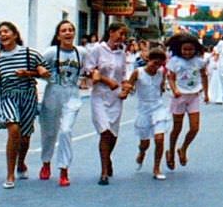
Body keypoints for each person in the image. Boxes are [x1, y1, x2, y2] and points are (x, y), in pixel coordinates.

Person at [0, 21, 49, 189]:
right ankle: (10, 174)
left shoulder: (29, 53)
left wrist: (30, 73)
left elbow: (46, 72)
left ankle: (21, 163)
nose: (3, 34)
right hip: (8, 95)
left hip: (27, 95)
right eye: (0, 32)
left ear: (15, 35)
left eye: (6, 31)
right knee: (13, 130)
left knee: (25, 135)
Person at [38, 20, 86, 187]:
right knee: (49, 132)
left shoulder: (81, 52)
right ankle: (45, 162)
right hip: (53, 93)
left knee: (66, 130)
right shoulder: (51, 52)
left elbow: (88, 69)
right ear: (58, 35)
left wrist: (86, 78)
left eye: (70, 30)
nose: (67, 33)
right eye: (64, 30)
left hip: (72, 95)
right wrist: (41, 71)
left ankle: (64, 168)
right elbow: (37, 66)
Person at [85, 22, 128, 185]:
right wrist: (105, 80)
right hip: (100, 95)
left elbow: (123, 75)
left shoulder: (122, 54)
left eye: (124, 35)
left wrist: (125, 88)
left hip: (115, 97)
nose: (122, 38)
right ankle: (103, 171)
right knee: (104, 130)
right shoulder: (97, 49)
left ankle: (108, 157)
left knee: (113, 132)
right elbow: (89, 70)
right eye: (120, 34)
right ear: (111, 32)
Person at [120, 47, 171, 180]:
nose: (156, 67)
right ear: (148, 60)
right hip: (143, 108)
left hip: (158, 107)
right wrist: (125, 92)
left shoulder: (161, 73)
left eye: (160, 64)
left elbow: (161, 88)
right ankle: (142, 152)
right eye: (155, 63)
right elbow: (129, 86)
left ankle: (156, 168)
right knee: (145, 143)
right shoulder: (138, 72)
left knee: (159, 139)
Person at [165, 34, 209, 169]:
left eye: (190, 50)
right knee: (177, 128)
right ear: (180, 49)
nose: (187, 52)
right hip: (179, 97)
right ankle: (171, 151)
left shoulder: (199, 61)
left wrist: (206, 93)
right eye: (185, 50)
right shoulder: (175, 61)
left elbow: (203, 76)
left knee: (195, 128)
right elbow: (171, 78)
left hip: (194, 96)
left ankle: (183, 148)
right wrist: (174, 90)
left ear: (195, 49)